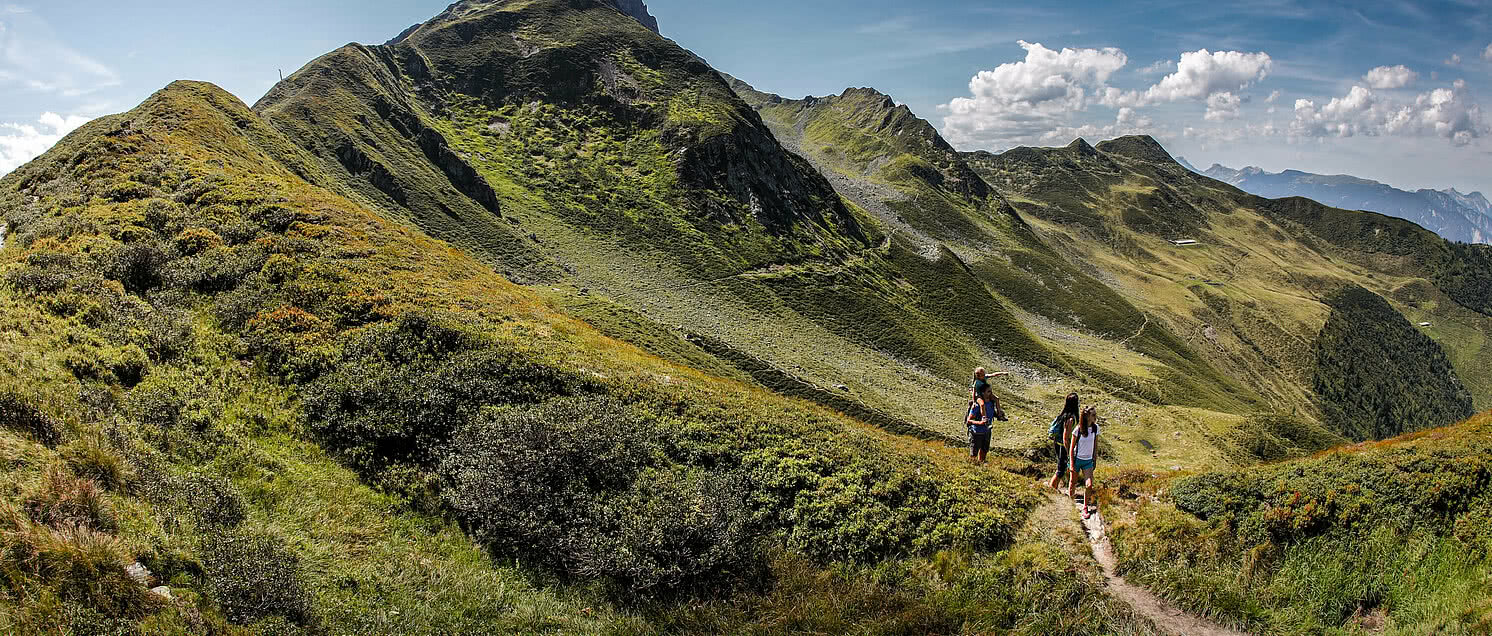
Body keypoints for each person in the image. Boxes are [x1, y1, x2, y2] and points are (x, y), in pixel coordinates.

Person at [1069, 406, 1100, 519]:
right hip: (1077, 459)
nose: (1095, 417)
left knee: (1089, 485)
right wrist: (1072, 463)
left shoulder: (1096, 428)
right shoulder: (1078, 429)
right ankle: (1070, 503)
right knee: (1072, 482)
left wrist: (1094, 460)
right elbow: (1071, 448)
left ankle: (1085, 506)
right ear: (1087, 416)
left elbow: (1096, 446)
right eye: (1093, 415)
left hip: (1088, 461)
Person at [1047, 393, 1080, 493]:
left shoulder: (1064, 415)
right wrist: (1069, 450)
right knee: (1061, 469)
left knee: (1062, 467)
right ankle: (1052, 488)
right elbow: (1065, 437)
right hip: (1063, 446)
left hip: (1058, 444)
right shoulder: (1070, 418)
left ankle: (1053, 487)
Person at [966, 385, 997, 465]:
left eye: (991, 391)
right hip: (976, 432)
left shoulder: (991, 403)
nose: (991, 393)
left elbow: (991, 414)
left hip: (987, 431)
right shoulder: (976, 405)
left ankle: (981, 465)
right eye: (988, 391)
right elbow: (969, 420)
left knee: (984, 450)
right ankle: (971, 467)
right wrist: (980, 423)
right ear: (983, 393)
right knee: (974, 453)